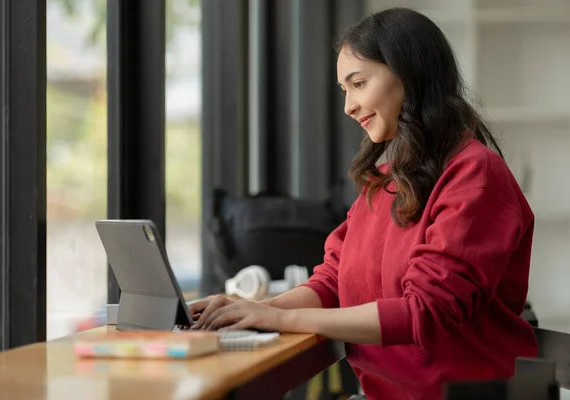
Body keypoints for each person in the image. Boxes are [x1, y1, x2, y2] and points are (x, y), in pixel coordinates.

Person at [189, 7, 538, 400]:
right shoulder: (386, 180)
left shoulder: (475, 174)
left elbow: (424, 312)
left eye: (358, 84)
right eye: (345, 90)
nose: (348, 106)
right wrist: (250, 311)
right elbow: (331, 283)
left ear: (409, 74)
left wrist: (280, 317)